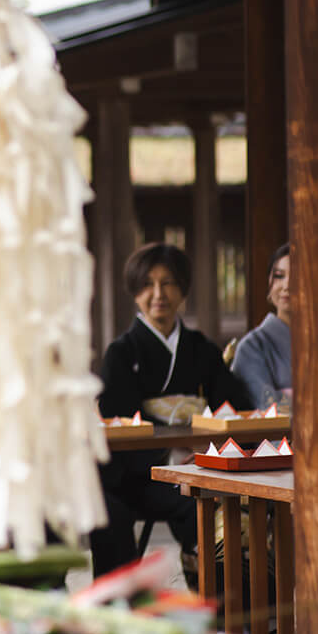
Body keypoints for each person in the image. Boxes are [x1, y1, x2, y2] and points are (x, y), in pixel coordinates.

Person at [93, 242, 251, 576]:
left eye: (168, 283)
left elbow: (235, 404)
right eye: (148, 284)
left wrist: (205, 435)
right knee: (115, 514)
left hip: (197, 464)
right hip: (140, 474)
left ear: (183, 290)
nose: (158, 293)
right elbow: (117, 417)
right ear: (135, 292)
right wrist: (179, 439)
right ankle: (121, 609)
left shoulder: (201, 349)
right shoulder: (121, 353)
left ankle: (229, 605)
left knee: (231, 508)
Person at [232, 243, 292, 412]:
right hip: (283, 438)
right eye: (279, 276)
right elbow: (270, 409)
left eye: (298, 275)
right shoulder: (252, 347)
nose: (287, 285)